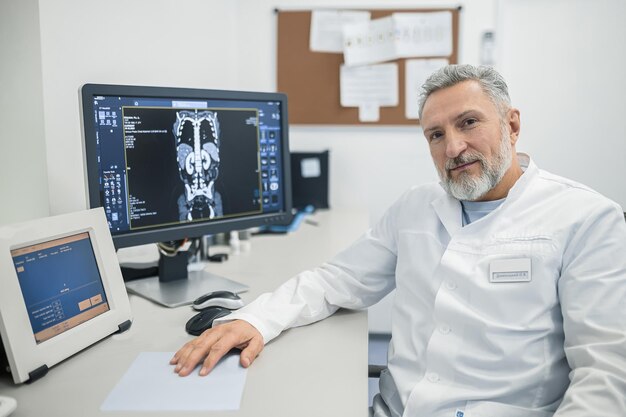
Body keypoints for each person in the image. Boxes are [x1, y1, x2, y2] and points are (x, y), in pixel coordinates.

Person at [171, 65, 626, 416]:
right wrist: (255, 320)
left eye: (469, 123)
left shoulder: (585, 218)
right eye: (436, 135)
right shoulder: (416, 206)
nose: (452, 148)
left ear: (512, 124)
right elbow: (335, 280)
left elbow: (604, 373)